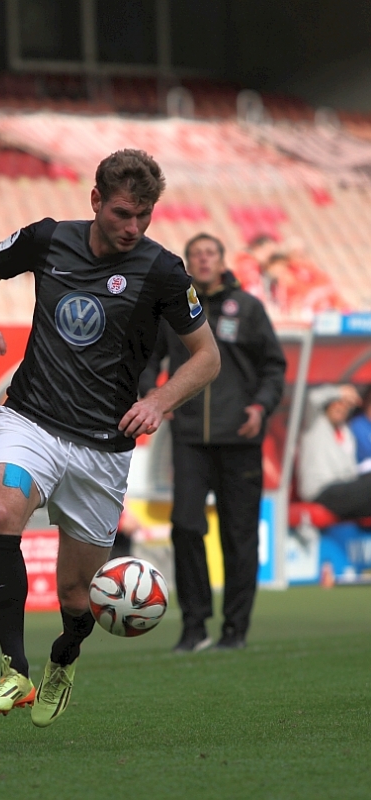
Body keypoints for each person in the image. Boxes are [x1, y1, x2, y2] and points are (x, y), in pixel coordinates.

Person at [0, 149, 220, 727]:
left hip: (103, 447)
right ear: (96, 200)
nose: (134, 227)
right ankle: (14, 670)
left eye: (144, 216)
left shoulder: (163, 270)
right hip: (31, 419)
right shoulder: (49, 239)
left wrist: (158, 401)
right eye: (123, 213)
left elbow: (207, 357)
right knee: (1, 510)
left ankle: (63, 659)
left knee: (78, 597)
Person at [140, 232, 286, 652]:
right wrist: (154, 396)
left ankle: (235, 630)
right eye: (196, 255)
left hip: (239, 438)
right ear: (188, 264)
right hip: (189, 439)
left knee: (239, 536)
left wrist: (260, 407)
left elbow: (274, 367)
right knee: (186, 527)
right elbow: (147, 360)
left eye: (210, 254)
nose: (203, 260)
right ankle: (194, 626)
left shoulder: (249, 308)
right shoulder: (173, 309)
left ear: (222, 261)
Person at [297, 384, 371, 517]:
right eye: (337, 403)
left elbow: (351, 471)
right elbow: (312, 398)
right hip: (320, 490)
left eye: (345, 405)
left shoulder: (346, 432)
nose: (340, 408)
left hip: (344, 489)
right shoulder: (315, 424)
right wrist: (340, 392)